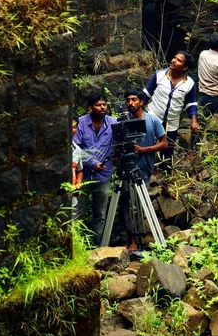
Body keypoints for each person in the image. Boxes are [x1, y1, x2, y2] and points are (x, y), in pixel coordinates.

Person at [122, 89, 167, 250]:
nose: (130, 103)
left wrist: (144, 150)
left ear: (141, 102)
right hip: (126, 169)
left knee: (139, 205)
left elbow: (164, 143)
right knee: (127, 204)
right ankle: (131, 239)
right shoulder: (123, 122)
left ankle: (141, 239)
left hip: (144, 169)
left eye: (134, 99)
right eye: (128, 100)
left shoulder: (152, 120)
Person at [73, 92, 117, 245]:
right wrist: (92, 162)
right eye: (98, 105)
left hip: (103, 175)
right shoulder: (81, 123)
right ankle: (76, 245)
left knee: (100, 214)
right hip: (82, 175)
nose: (102, 107)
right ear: (90, 108)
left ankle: (97, 245)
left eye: (104, 104)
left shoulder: (113, 122)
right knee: (77, 211)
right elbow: (75, 147)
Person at [143, 51, 199, 162]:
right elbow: (146, 94)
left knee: (167, 152)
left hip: (172, 123)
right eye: (174, 58)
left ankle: (165, 173)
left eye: (179, 60)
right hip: (153, 117)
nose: (174, 61)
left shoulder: (189, 83)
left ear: (185, 67)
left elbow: (191, 103)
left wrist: (194, 120)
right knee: (147, 146)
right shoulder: (159, 75)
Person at [71, 118, 83, 220]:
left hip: (73, 201)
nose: (72, 130)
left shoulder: (77, 150)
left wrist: (78, 184)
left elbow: (79, 170)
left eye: (74, 127)